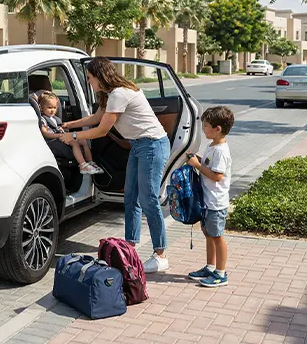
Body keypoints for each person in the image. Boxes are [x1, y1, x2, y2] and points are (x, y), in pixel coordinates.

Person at [58, 57, 171, 273]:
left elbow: (101, 130)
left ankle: (160, 255)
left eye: (90, 78)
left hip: (152, 145)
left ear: (100, 76)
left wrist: (73, 135)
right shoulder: (110, 94)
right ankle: (130, 246)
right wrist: (70, 124)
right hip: (139, 146)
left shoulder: (119, 94)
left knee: (148, 200)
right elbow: (96, 118)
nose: (89, 83)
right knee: (131, 198)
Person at [186, 106, 233, 288]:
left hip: (216, 202)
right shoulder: (212, 145)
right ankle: (210, 267)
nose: (203, 129)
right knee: (208, 234)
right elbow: (207, 165)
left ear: (217, 128)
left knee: (217, 236)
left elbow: (217, 175)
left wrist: (197, 165)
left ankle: (221, 273)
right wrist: (196, 159)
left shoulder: (221, 151)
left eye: (206, 126)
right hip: (208, 200)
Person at [36, 91, 103, 175]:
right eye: (49, 107)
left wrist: (64, 130)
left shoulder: (55, 119)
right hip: (53, 140)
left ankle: (90, 162)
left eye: (54, 107)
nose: (52, 110)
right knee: (74, 143)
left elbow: (59, 128)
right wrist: (59, 135)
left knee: (83, 141)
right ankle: (83, 165)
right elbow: (45, 133)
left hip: (60, 136)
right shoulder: (43, 119)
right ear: (41, 107)